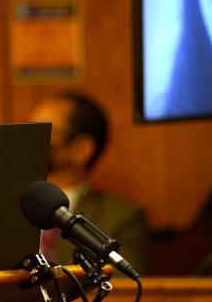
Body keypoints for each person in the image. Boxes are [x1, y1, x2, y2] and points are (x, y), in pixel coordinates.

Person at [30, 92, 148, 273]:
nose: (31, 139)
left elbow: (122, 291)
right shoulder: (8, 207)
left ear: (81, 149)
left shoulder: (121, 218)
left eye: (43, 130)